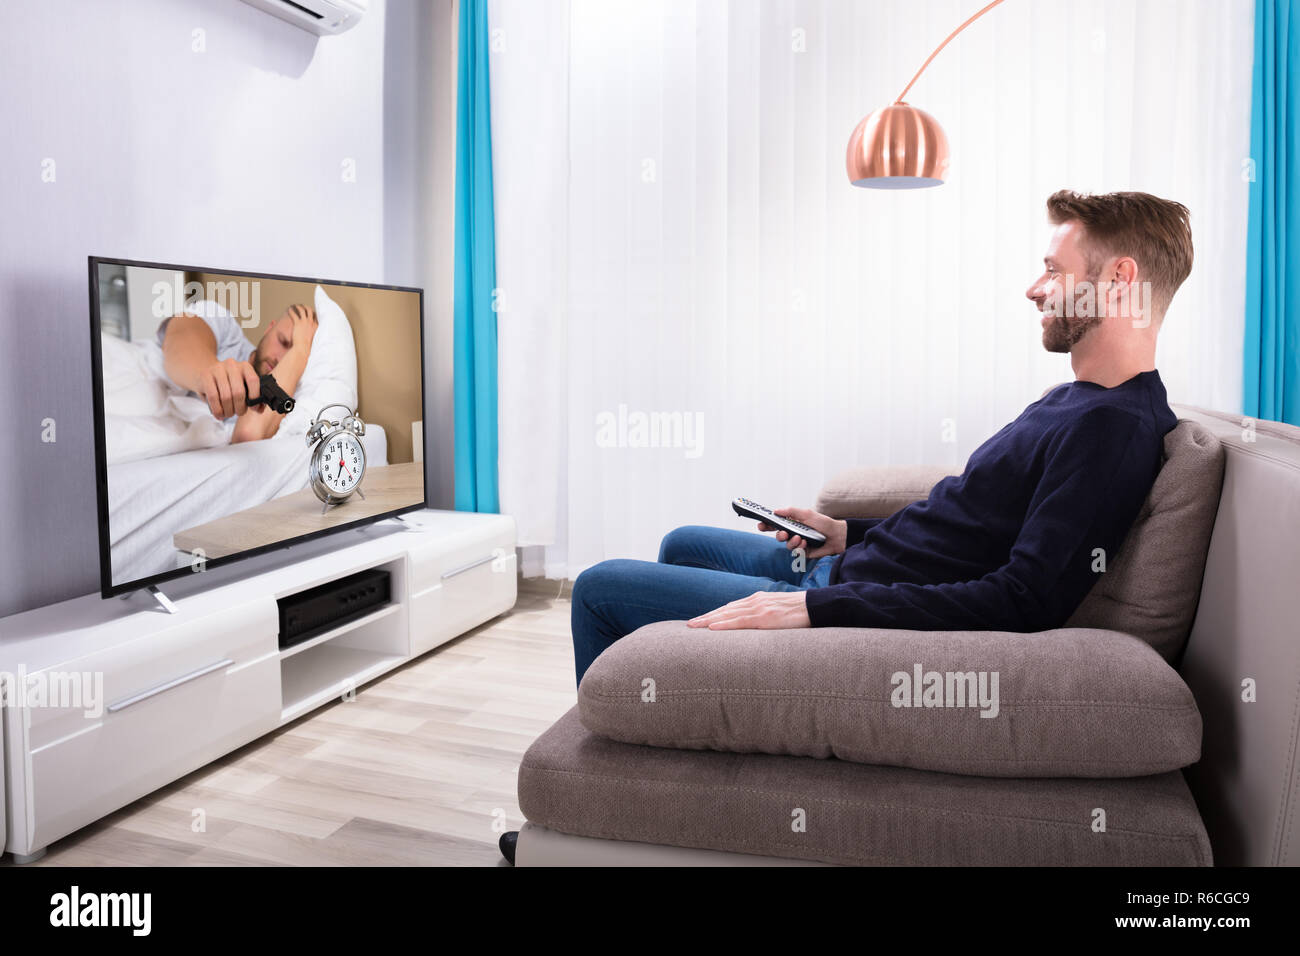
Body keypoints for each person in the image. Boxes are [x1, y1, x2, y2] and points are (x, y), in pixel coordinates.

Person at [569, 189, 1192, 687]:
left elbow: (1023, 600)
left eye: (1053, 272)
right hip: (850, 565)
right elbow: (974, 524)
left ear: (1119, 279)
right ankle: (664, 707)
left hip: (847, 597)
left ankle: (586, 800)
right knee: (681, 542)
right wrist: (846, 533)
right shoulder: (1079, 400)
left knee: (599, 588)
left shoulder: (1111, 430)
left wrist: (813, 609)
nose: (1034, 289)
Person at [158, 302, 317, 443]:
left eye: (292, 354)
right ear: (269, 328)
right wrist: (210, 377)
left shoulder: (292, 393)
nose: (281, 359)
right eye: (282, 342)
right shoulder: (226, 329)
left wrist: (301, 349)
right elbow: (177, 346)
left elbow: (247, 436)